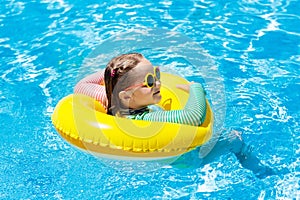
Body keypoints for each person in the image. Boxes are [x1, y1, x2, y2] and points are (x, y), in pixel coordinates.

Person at [75, 53, 206, 126]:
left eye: (156, 74)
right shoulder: (144, 119)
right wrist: (196, 88)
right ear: (126, 96)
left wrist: (114, 72)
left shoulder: (112, 101)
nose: (158, 83)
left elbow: (81, 85)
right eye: (149, 81)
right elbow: (193, 117)